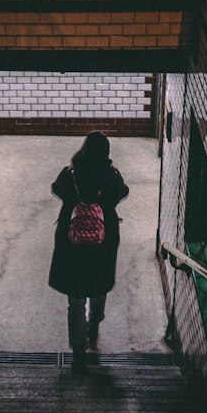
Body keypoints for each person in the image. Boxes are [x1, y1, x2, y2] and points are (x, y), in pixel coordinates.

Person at [48, 132, 129, 372]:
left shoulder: (70, 173)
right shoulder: (111, 175)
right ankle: (94, 325)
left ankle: (78, 351)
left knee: (75, 299)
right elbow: (122, 192)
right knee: (98, 287)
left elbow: (56, 189)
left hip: (71, 242)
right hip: (102, 242)